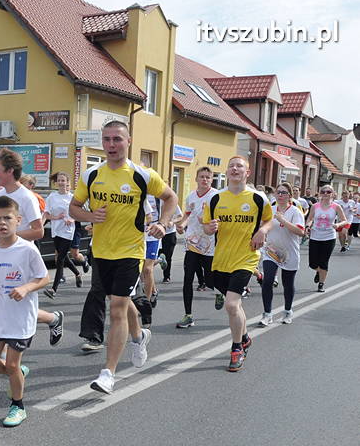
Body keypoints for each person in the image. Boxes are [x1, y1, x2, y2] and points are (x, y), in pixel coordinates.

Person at [69, 120, 178, 393]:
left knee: (116, 308)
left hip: (131, 251)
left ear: (128, 141)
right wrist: (90, 216)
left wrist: (163, 224)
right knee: (119, 300)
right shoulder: (91, 175)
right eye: (106, 140)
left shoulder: (142, 175)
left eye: (117, 139)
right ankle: (139, 336)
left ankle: (108, 373)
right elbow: (74, 208)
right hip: (101, 251)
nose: (111, 145)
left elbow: (171, 197)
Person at [0, 196, 48, 427]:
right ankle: (17, 376)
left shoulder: (27, 250)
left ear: (18, 220)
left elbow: (44, 278)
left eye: (8, 218)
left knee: (13, 365)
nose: (2, 222)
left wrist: (26, 287)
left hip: (20, 319)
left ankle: (18, 406)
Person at [202, 156, 273, 372]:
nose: (234, 169)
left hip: (246, 257)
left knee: (231, 304)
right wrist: (210, 228)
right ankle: (244, 337)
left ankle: (236, 349)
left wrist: (262, 230)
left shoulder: (258, 198)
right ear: (227, 171)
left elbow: (269, 221)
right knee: (236, 306)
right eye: (231, 165)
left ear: (247, 172)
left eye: (239, 166)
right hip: (221, 259)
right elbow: (206, 226)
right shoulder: (215, 199)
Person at [0, 148, 64, 347]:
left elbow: (38, 231)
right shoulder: (0, 194)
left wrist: (10, 235)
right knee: (5, 302)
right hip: (2, 254)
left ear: (10, 171)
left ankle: (7, 355)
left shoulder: (26, 197)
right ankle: (52, 319)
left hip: (23, 258)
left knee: (17, 305)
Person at [175, 167, 219, 329]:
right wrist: (182, 226)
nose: (205, 180)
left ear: (212, 179)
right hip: (192, 243)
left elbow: (219, 218)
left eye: (208, 177)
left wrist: (207, 223)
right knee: (188, 279)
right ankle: (188, 315)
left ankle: (220, 292)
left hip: (209, 243)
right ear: (196, 178)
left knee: (210, 280)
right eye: (202, 177)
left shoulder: (216, 196)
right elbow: (188, 215)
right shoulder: (191, 196)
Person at [259, 183, 304, 326]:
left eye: (284, 193)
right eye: (278, 192)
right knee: (268, 281)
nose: (280, 195)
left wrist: (283, 220)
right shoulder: (270, 210)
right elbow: (262, 225)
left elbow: (300, 232)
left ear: (290, 196)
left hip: (290, 252)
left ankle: (287, 311)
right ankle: (267, 314)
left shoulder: (295, 212)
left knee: (287, 284)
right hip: (271, 251)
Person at [43, 171, 84, 298]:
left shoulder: (72, 198)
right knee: (64, 257)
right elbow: (47, 214)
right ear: (56, 183)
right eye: (59, 180)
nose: (61, 183)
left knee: (60, 259)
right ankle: (77, 273)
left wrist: (72, 219)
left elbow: (80, 213)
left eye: (63, 180)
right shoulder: (51, 197)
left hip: (68, 231)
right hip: (56, 230)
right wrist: (55, 217)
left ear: (67, 183)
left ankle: (53, 289)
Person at [305, 186, 347, 292]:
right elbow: (310, 218)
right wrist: (308, 226)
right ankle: (319, 271)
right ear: (320, 193)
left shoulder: (336, 207)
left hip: (329, 237)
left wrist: (338, 225)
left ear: (332, 194)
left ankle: (321, 283)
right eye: (323, 191)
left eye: (328, 192)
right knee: (312, 263)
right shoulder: (315, 206)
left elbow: (344, 220)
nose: (325, 193)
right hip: (315, 236)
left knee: (324, 261)